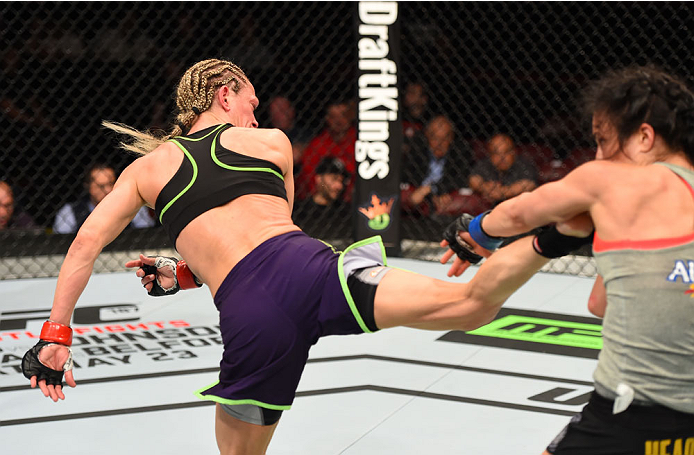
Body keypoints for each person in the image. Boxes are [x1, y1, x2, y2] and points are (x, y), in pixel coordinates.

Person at [20, 58, 559, 455]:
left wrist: (56, 336)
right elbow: (272, 238)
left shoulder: (148, 169)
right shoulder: (274, 143)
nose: (256, 112)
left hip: (254, 312)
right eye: (251, 99)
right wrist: (186, 274)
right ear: (225, 92)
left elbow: (85, 247)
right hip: (315, 272)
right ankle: (555, 236)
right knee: (472, 305)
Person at [442, 65, 694, 454]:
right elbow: (600, 304)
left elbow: (519, 214)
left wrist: (474, 233)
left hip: (632, 409)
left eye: (604, 140)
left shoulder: (610, 179)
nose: (597, 155)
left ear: (644, 136)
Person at [401, 115, 480, 218]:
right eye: (435, 138)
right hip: (419, 191)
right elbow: (408, 174)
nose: (439, 144)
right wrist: (425, 192)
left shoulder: (460, 151)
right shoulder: (417, 148)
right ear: (427, 136)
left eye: (444, 138)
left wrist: (437, 190)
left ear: (451, 139)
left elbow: (460, 177)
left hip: (444, 193)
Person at [52, 163, 155, 234]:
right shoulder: (70, 211)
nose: (108, 190)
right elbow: (59, 241)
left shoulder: (133, 206)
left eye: (111, 184)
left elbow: (147, 233)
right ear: (89, 187)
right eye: (101, 186)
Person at [295, 100, 356, 201]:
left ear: (351, 117)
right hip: (323, 197)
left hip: (353, 197)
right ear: (327, 119)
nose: (339, 121)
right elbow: (308, 176)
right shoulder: (318, 144)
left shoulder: (359, 141)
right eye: (334, 117)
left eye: (343, 115)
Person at [469, 133, 538, 207]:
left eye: (506, 152)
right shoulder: (485, 163)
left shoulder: (523, 164)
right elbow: (473, 179)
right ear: (490, 155)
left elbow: (528, 184)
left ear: (513, 152)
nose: (501, 158)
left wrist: (503, 192)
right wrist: (485, 187)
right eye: (496, 153)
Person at [292, 156, 351, 240]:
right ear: (319, 179)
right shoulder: (299, 210)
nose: (339, 186)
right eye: (334, 179)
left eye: (341, 181)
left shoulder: (346, 212)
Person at [267, 95, 311, 177]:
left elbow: (296, 155)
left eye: (282, 110)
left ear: (291, 111)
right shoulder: (266, 133)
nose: (279, 115)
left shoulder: (304, 133)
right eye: (275, 111)